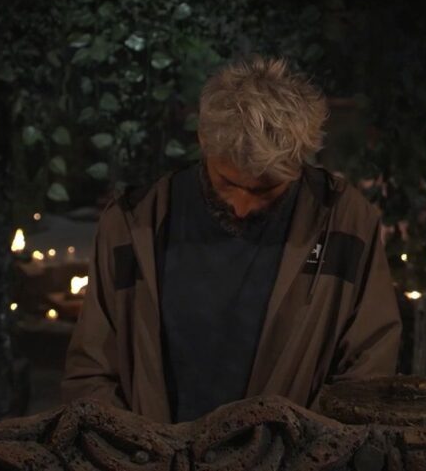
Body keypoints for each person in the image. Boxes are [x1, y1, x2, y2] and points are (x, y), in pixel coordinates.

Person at [62, 56, 401, 423]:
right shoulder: (133, 224)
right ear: (203, 141)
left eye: (266, 190)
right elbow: (91, 372)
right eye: (228, 183)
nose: (242, 207)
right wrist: (134, 445)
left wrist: (296, 444)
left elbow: (367, 369)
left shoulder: (345, 223)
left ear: (298, 162)